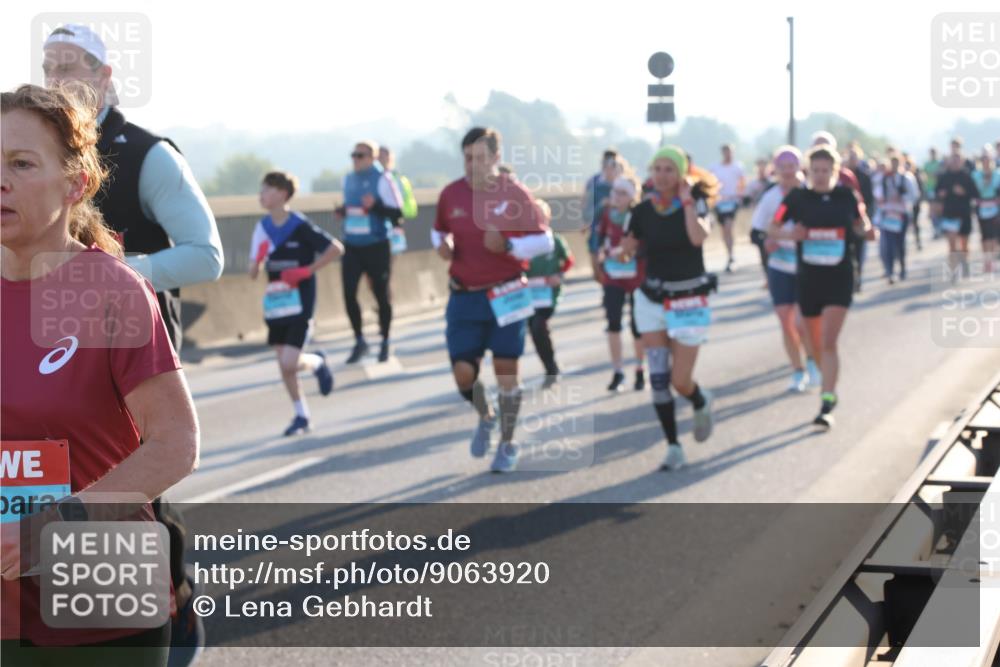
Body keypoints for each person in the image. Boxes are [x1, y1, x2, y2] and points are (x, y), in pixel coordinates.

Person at [1, 83, 199, 666]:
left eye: (20, 163)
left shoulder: (110, 291)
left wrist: (58, 524)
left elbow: (176, 443)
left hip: (101, 608)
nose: (0, 178)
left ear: (75, 183)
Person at [42, 24, 222, 662]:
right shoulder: (29, 156)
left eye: (73, 65)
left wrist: (112, 276)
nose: (58, 77)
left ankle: (170, 608)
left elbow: (207, 256)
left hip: (132, 350)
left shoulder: (149, 155)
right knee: (55, 484)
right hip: (42, 348)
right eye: (49, 64)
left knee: (133, 485)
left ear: (106, 77)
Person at [432, 127, 553, 473]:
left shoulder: (514, 194)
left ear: (496, 158)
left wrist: (511, 247)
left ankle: (508, 442)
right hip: (465, 296)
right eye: (468, 158)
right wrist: (445, 245)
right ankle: (485, 415)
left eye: (481, 158)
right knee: (462, 374)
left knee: (506, 372)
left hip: (507, 293)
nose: (473, 165)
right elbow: (439, 229)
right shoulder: (451, 194)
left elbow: (544, 241)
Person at [619, 145, 719, 471]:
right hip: (651, 301)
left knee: (680, 381)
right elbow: (627, 248)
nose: (661, 176)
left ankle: (699, 399)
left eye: (668, 170)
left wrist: (688, 201)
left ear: (681, 174)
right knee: (659, 379)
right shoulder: (642, 211)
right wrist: (623, 250)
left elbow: (696, 238)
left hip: (689, 301)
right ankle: (674, 446)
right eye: (656, 169)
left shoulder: (697, 203)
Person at [770, 145, 875, 430]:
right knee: (809, 337)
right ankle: (825, 378)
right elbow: (772, 228)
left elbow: (860, 222)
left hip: (840, 277)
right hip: (809, 278)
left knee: (828, 341)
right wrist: (791, 233)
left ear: (835, 172)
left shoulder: (847, 196)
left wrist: (866, 230)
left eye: (825, 171)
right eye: (815, 170)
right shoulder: (796, 197)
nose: (819, 176)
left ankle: (827, 399)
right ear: (808, 171)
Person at [249, 171, 342, 436]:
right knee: (285, 364)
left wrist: (307, 270)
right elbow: (252, 273)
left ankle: (317, 362)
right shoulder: (262, 228)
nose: (261, 195)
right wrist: (257, 259)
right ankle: (301, 414)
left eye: (266, 189)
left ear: (281, 193)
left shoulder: (299, 225)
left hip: (300, 301)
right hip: (276, 303)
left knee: (290, 363)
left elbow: (335, 248)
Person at [755, 146, 819, 392]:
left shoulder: (809, 194)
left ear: (799, 167)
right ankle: (797, 370)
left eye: (792, 166)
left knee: (804, 323)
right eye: (783, 167)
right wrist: (770, 239)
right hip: (780, 265)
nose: (788, 171)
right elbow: (761, 228)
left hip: (806, 265)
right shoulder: (773, 197)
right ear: (777, 169)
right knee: (786, 321)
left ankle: (812, 362)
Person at [336, 140, 403, 363]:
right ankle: (359, 340)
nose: (355, 159)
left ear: (372, 158)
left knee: (380, 294)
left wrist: (375, 206)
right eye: (353, 155)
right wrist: (343, 211)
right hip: (353, 245)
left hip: (376, 244)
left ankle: (385, 340)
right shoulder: (348, 179)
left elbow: (398, 214)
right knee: (348, 293)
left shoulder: (383, 179)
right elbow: (352, 207)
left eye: (360, 155)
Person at [594, 174, 647, 392]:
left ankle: (639, 369)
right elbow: (599, 241)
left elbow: (645, 243)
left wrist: (628, 251)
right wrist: (602, 256)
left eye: (623, 193)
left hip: (636, 276)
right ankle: (617, 371)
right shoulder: (607, 213)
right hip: (613, 277)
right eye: (615, 192)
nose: (617, 196)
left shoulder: (639, 214)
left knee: (637, 326)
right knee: (613, 323)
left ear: (632, 196)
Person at [525, 201, 574, 388]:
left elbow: (568, 261)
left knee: (538, 325)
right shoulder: (523, 241)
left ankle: (551, 368)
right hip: (529, 294)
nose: (536, 220)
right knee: (534, 329)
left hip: (548, 294)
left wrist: (559, 275)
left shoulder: (554, 240)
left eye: (540, 216)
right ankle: (549, 365)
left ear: (547, 218)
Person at [875, 156, 919, 283]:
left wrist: (902, 197)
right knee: (888, 244)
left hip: (901, 214)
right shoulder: (884, 178)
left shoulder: (907, 178)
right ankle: (890, 271)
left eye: (896, 163)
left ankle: (903, 268)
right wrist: (884, 200)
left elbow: (914, 195)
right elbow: (877, 194)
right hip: (888, 215)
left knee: (900, 243)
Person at [936, 153, 980, 279]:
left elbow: (975, 194)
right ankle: (954, 269)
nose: (955, 163)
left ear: (961, 162)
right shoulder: (944, 177)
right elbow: (936, 192)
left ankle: (965, 262)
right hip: (949, 214)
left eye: (957, 161)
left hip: (964, 213)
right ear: (949, 162)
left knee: (964, 243)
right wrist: (941, 194)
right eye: (953, 161)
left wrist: (964, 192)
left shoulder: (966, 176)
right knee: (951, 244)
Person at [709, 143, 745, 272]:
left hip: (732, 201)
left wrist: (740, 196)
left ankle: (731, 256)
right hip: (719, 202)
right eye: (725, 152)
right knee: (724, 230)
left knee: (729, 227)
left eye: (729, 152)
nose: (727, 154)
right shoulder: (714, 168)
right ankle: (729, 254)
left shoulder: (737, 167)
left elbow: (742, 182)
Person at [377, 146, 418, 254]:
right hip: (380, 222)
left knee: (391, 255)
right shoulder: (382, 176)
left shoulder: (394, 177)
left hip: (392, 221)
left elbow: (399, 203)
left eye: (382, 156)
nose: (379, 159)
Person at [845, 146, 874, 292]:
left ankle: (859, 277)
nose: (852, 160)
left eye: (854, 157)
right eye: (850, 157)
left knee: (859, 251)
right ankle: (851, 278)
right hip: (845, 221)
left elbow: (869, 199)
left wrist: (867, 219)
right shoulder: (842, 175)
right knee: (848, 253)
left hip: (860, 218)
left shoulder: (865, 176)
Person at [972, 154, 1000, 271]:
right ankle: (986, 260)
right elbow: (974, 190)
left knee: (993, 235)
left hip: (995, 207)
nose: (986, 163)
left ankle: (991, 260)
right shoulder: (976, 175)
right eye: (984, 161)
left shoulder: (997, 174)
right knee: (984, 236)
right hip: (982, 207)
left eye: (988, 161)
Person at [923, 147, 943, 238]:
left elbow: (939, 174)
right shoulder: (927, 164)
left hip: (939, 189)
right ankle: (936, 228)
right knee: (932, 210)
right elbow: (925, 175)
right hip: (930, 189)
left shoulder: (940, 163)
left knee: (939, 209)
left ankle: (940, 227)